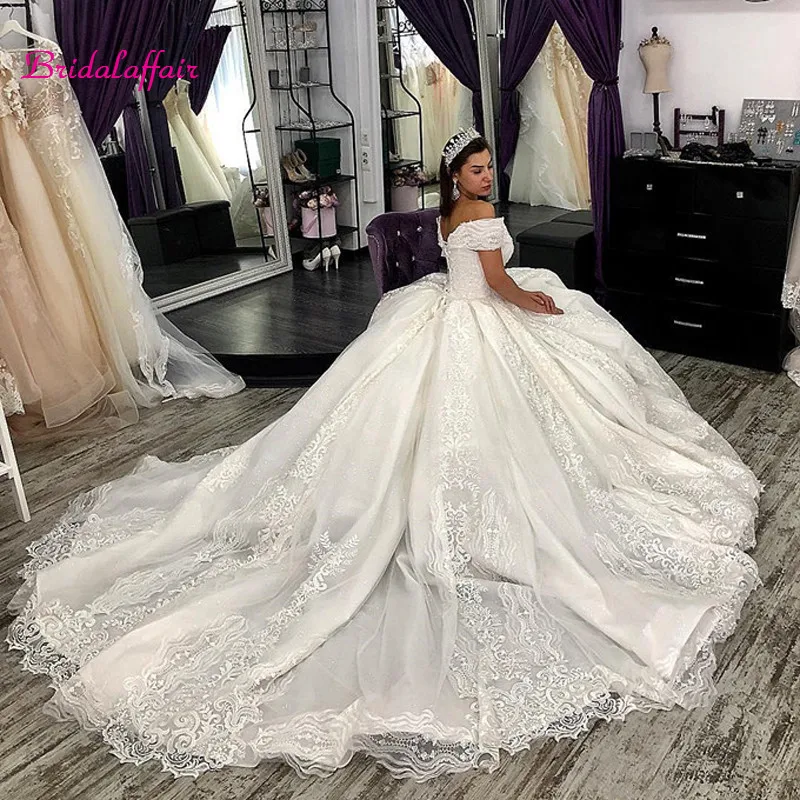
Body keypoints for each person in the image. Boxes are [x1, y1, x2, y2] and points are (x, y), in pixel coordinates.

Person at [7, 129, 763, 782]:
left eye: (488, 168)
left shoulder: (450, 213)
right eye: (476, 170)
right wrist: (538, 302)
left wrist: (513, 285)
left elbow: (468, 271)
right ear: (456, 177)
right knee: (520, 410)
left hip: (440, 314)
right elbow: (497, 285)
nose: (487, 177)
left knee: (395, 422)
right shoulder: (481, 217)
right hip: (478, 320)